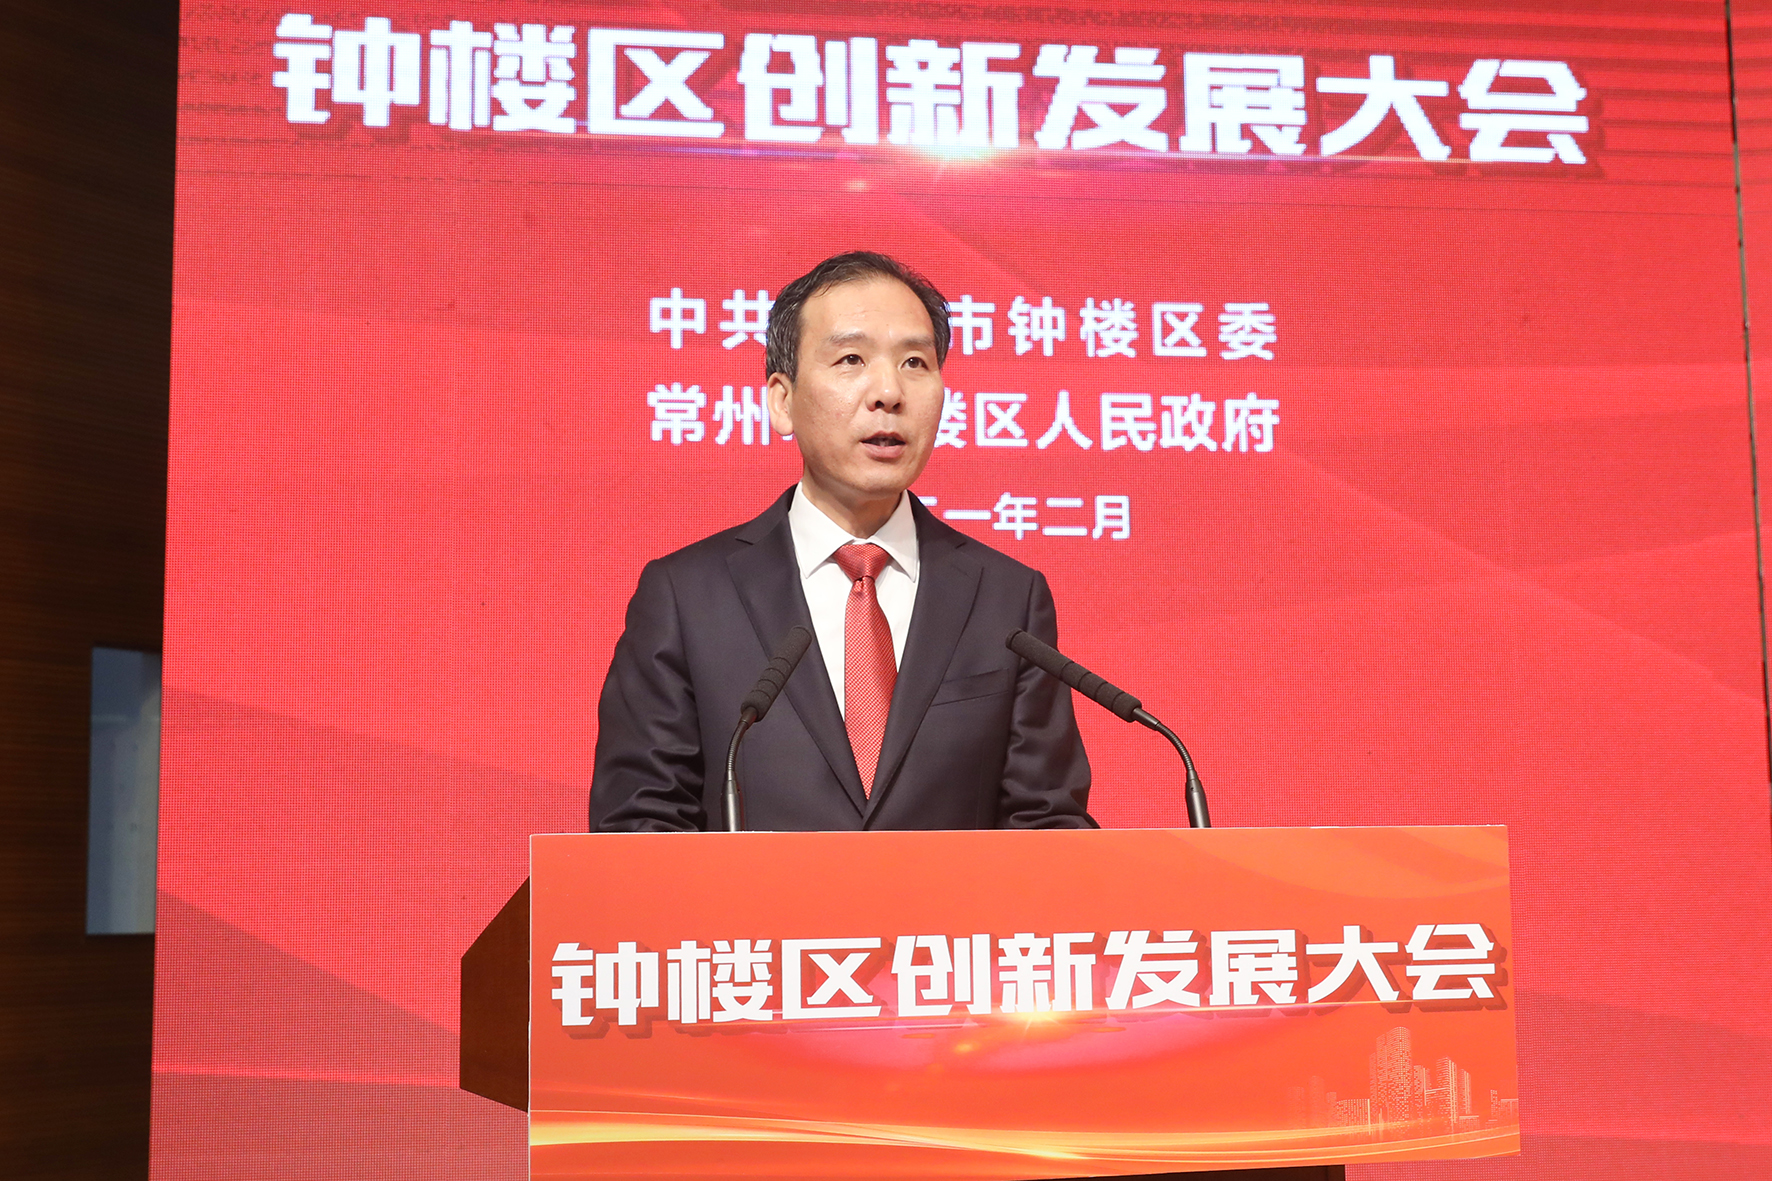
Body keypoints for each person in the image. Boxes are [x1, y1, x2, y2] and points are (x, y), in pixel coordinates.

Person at [588, 251, 1095, 832]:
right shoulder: (687, 597)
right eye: (851, 359)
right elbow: (639, 825)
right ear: (782, 401)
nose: (889, 392)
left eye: (915, 362)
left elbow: (1048, 825)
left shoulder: (1008, 598)